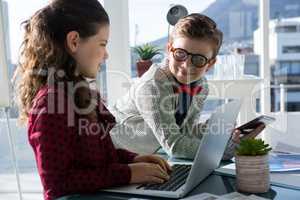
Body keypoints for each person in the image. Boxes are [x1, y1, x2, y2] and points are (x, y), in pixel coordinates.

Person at [15, 1, 171, 199]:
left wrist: (135, 159)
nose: (106, 55)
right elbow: (57, 184)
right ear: (74, 41)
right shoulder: (51, 104)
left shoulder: (83, 93)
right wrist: (128, 173)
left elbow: (100, 156)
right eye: (102, 44)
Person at [109, 13, 265, 159]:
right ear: (169, 50)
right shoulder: (153, 86)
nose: (186, 66)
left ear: (210, 64)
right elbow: (175, 146)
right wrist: (223, 151)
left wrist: (217, 132)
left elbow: (186, 132)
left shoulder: (201, 86)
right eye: (180, 54)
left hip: (144, 156)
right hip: (111, 155)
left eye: (198, 59)